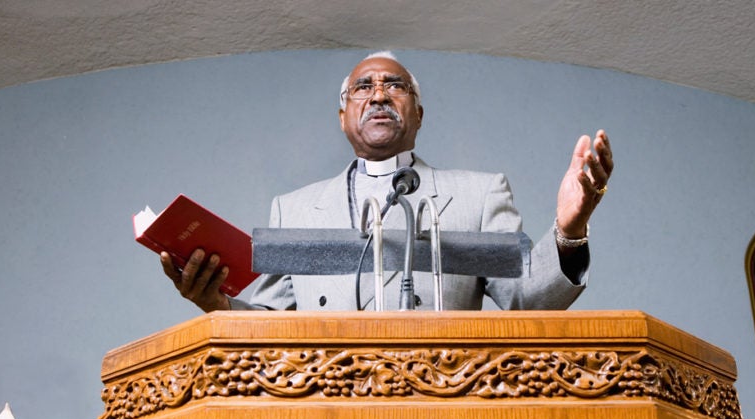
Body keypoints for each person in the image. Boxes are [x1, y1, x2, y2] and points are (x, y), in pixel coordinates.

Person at [162, 51, 613, 312]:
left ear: (419, 113)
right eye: (363, 87)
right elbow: (270, 326)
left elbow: (530, 300)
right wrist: (216, 303)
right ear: (343, 117)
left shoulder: (479, 196)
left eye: (395, 85)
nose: (378, 94)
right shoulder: (293, 210)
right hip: (328, 418)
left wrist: (569, 230)